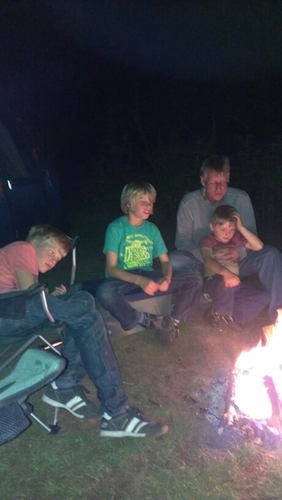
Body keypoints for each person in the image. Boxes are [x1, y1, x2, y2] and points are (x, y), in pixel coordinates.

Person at [0, 224, 168, 438]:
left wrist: (54, 298)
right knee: (87, 318)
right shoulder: (23, 248)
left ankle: (66, 384)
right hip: (6, 313)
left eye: (59, 258)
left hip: (13, 311)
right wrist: (50, 299)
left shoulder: (18, 257)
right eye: (51, 251)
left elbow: (31, 299)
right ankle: (116, 413)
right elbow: (29, 296)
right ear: (34, 242)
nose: (54, 260)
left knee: (84, 300)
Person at [169, 154, 282, 325]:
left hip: (236, 260)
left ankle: (278, 315)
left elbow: (251, 234)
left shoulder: (241, 198)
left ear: (228, 179)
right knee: (174, 259)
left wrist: (238, 252)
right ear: (202, 181)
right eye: (213, 182)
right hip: (203, 260)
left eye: (223, 182)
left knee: (271, 254)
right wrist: (208, 255)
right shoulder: (189, 203)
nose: (219, 188)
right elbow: (182, 241)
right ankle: (203, 293)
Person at [86, 181, 202, 342]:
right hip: (123, 277)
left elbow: (166, 262)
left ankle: (172, 322)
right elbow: (111, 268)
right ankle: (143, 320)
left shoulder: (152, 229)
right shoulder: (116, 228)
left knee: (194, 277)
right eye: (143, 202)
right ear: (128, 203)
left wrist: (166, 279)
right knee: (105, 292)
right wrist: (139, 280)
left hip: (147, 273)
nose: (149, 206)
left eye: (151, 202)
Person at [200, 205, 270, 330]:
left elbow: (259, 246)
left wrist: (241, 228)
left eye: (231, 229)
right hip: (213, 284)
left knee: (263, 296)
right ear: (212, 226)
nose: (227, 234)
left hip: (233, 284)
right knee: (226, 283)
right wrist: (225, 273)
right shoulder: (208, 241)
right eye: (223, 229)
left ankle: (232, 316)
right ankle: (219, 313)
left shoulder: (235, 239)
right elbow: (208, 260)